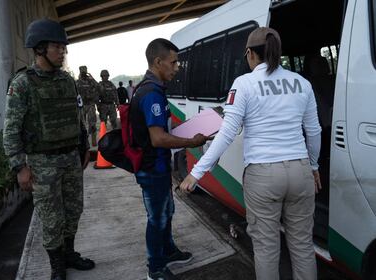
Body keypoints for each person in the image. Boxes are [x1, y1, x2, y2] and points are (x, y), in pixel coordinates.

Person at [180, 27, 322, 280]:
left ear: (249, 54)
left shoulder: (244, 84)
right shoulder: (302, 83)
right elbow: (313, 131)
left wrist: (196, 172)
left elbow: (226, 132)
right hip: (300, 171)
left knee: (267, 248)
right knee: (302, 245)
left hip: (264, 174)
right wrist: (313, 166)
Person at [3, 19, 95, 280]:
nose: (62, 52)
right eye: (57, 47)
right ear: (40, 48)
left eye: (63, 47)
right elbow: (10, 129)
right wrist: (20, 167)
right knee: (51, 218)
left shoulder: (67, 80)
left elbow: (76, 118)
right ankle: (57, 266)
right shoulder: (23, 84)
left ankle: (69, 254)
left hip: (70, 158)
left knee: (74, 210)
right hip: (42, 163)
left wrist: (83, 146)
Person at [130, 38, 212, 280]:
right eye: (174, 62)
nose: (177, 68)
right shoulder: (151, 94)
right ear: (158, 62)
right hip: (151, 167)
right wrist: (191, 142)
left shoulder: (150, 89)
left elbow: (160, 131)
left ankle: (168, 251)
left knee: (167, 211)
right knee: (157, 218)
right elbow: (157, 138)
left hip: (159, 166)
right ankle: (155, 268)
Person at [76, 65, 99, 146]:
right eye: (82, 71)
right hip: (82, 106)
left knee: (92, 124)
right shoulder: (78, 82)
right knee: (81, 124)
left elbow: (98, 86)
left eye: (84, 71)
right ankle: (84, 143)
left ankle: (93, 142)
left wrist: (92, 78)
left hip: (90, 104)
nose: (83, 73)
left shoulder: (90, 81)